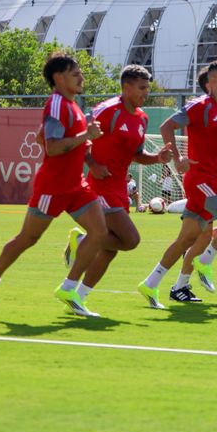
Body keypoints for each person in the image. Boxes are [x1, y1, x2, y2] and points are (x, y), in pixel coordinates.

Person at [0, 51, 108, 318]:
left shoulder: (71, 105)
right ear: (59, 78)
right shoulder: (58, 104)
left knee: (99, 233)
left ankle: (69, 289)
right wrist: (85, 136)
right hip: (52, 188)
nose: (81, 77)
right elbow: (52, 145)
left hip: (76, 185)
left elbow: (40, 138)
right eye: (76, 73)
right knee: (28, 238)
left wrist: (81, 143)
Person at [138, 60, 217, 308]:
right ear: (213, 83)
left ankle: (151, 284)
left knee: (188, 239)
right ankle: (205, 261)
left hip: (215, 180)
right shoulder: (199, 106)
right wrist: (178, 158)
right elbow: (167, 126)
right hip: (201, 180)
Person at [60, 65, 174, 308]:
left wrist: (157, 158)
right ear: (126, 87)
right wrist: (91, 164)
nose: (146, 93)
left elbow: (137, 154)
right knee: (131, 240)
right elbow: (80, 137)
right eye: (142, 88)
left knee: (111, 249)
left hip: (119, 188)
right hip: (99, 187)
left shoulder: (142, 118)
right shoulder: (107, 110)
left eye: (148, 88)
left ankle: (78, 296)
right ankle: (78, 255)